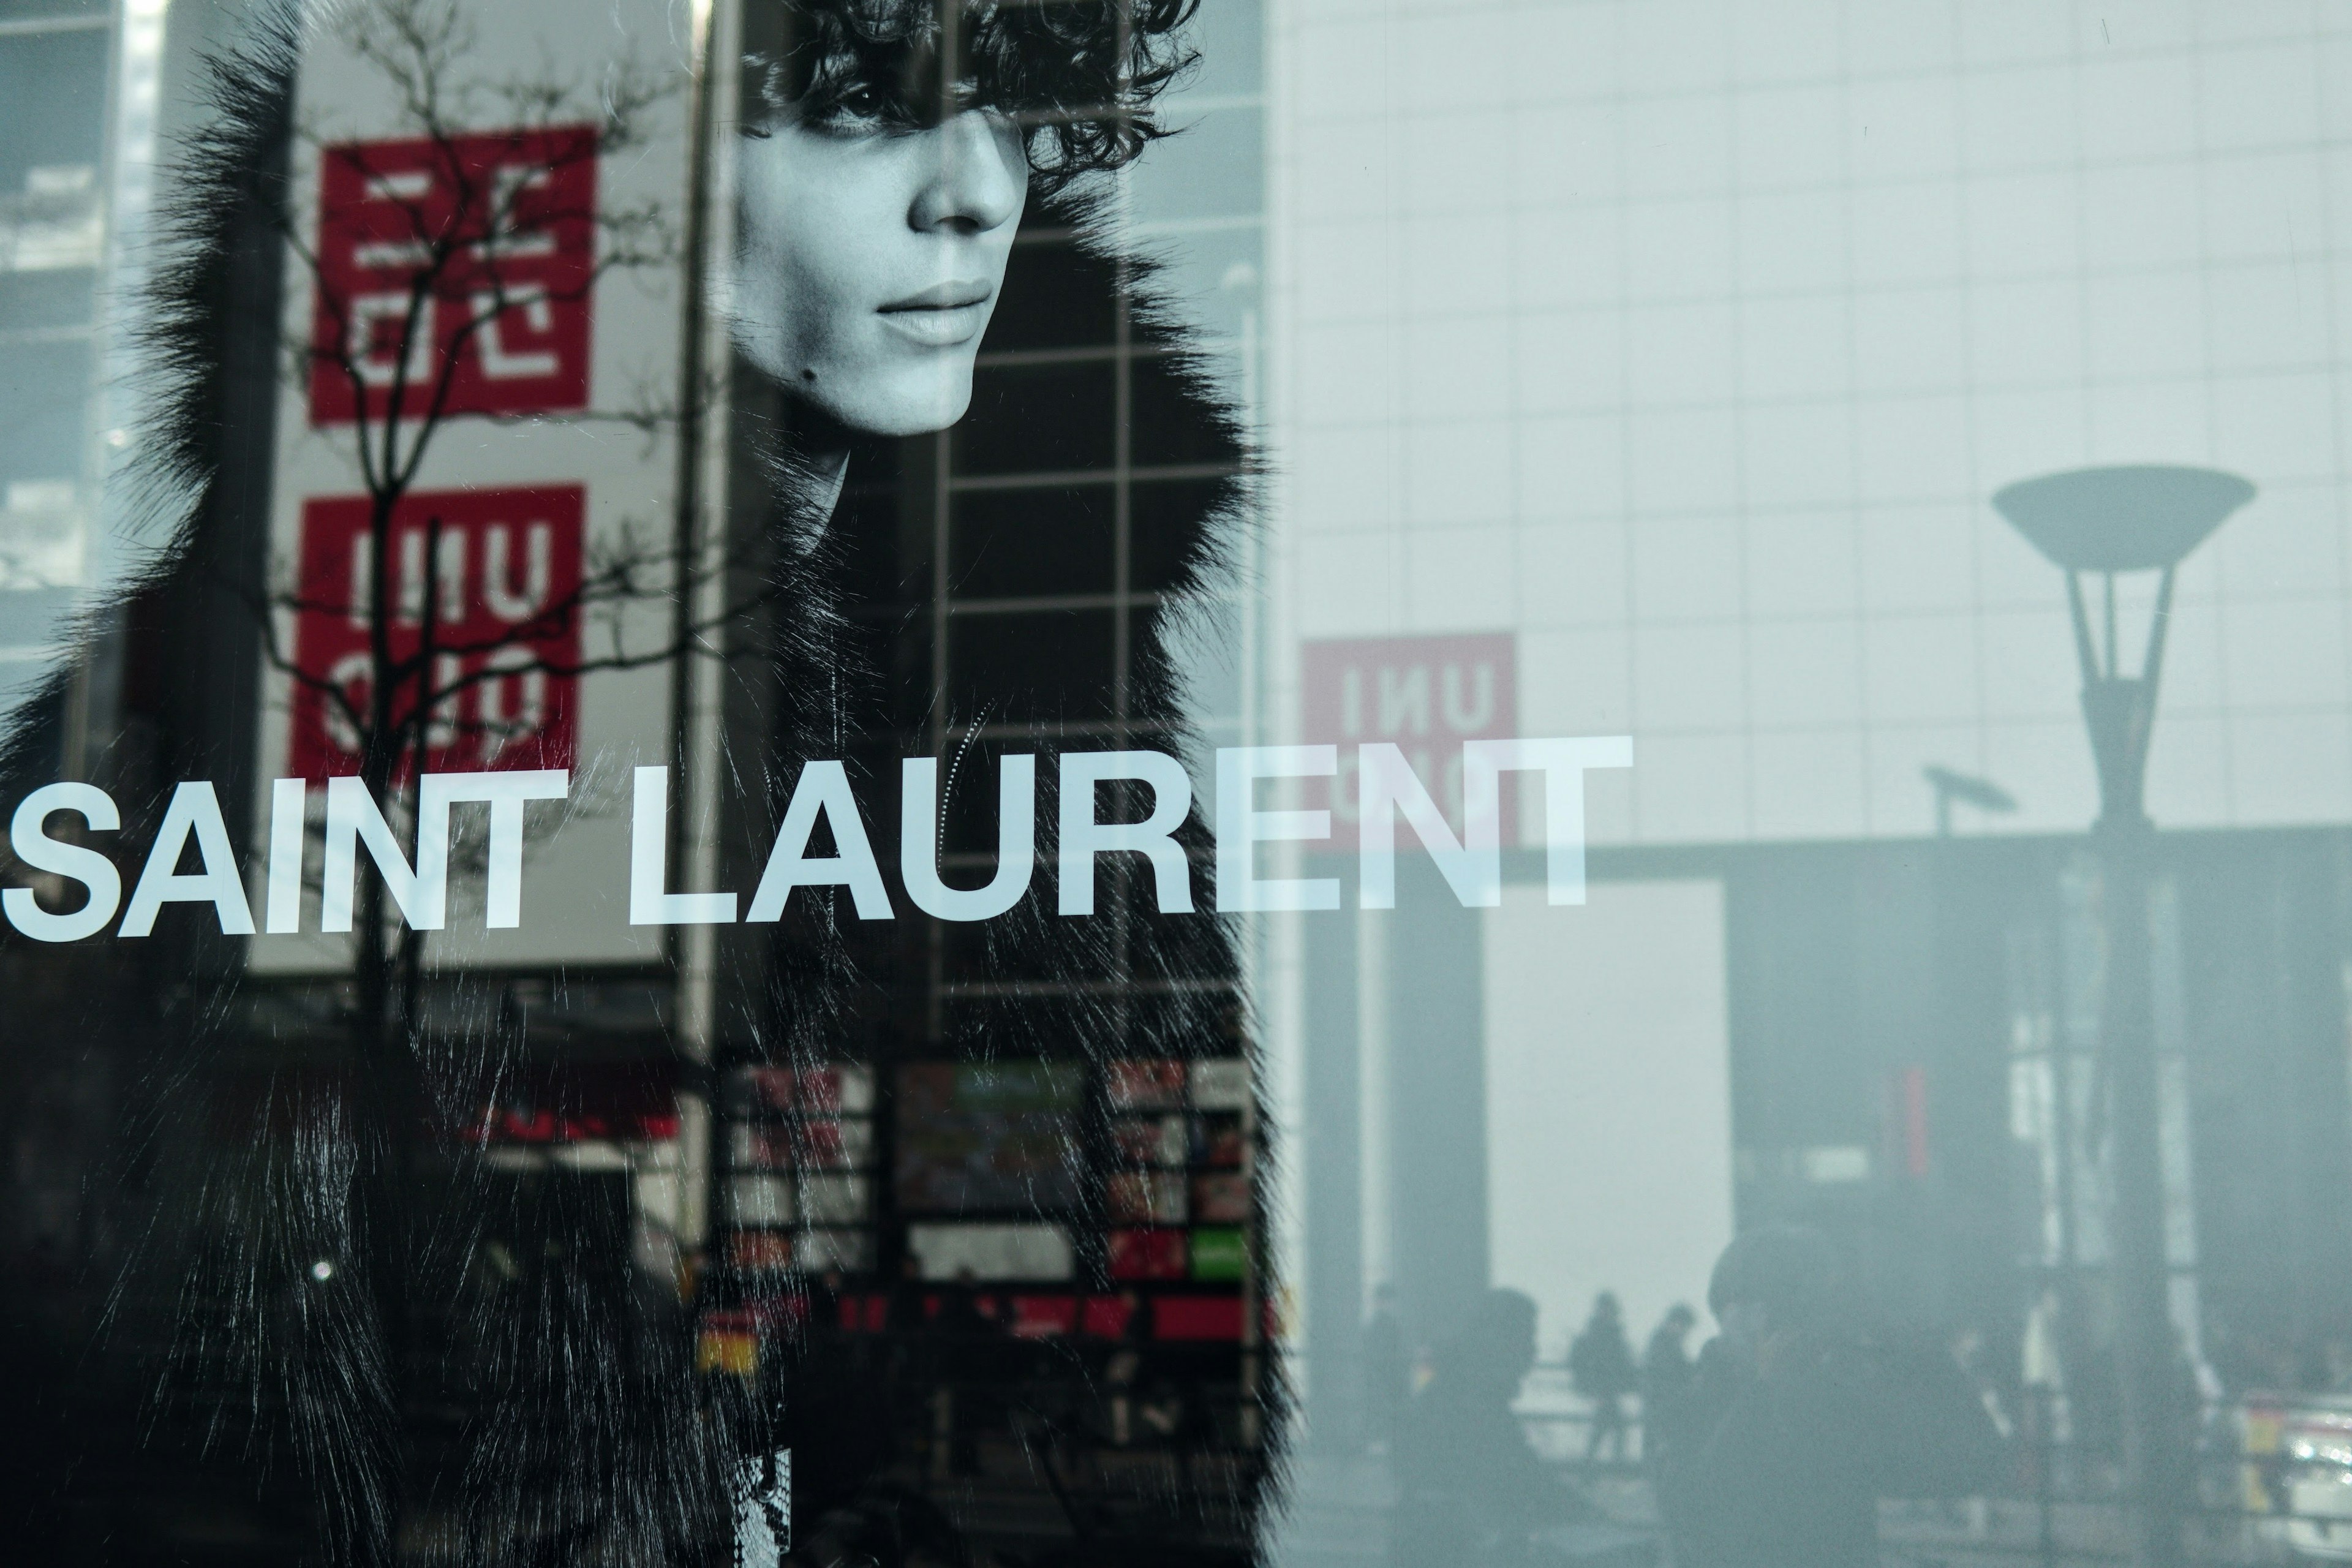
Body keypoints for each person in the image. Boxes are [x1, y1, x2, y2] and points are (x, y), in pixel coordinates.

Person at [1659, 1227, 2004, 1568]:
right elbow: (1704, 1517)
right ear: (1741, 1311)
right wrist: (1768, 1390)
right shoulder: (1703, 1407)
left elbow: (1971, 1463)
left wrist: (1907, 1342)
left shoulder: (1820, 1398)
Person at [1391, 1289, 1591, 1567]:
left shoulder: (1458, 1388)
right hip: (1453, 1547)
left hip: (1432, 1540)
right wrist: (1581, 1513)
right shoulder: (1472, 1401)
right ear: (1499, 1341)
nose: (1531, 1353)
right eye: (1526, 1339)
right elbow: (1513, 1472)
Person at [1568, 1291, 1639, 1461]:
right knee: (1613, 1428)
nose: (1607, 1313)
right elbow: (1582, 1361)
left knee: (1608, 1428)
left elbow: (1624, 1362)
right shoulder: (1598, 1335)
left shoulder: (1610, 1334)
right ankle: (1608, 1467)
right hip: (1602, 1390)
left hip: (1608, 1390)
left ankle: (1594, 1467)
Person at [1640, 1303, 1698, 1465]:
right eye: (1684, 1326)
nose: (1686, 1332)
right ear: (1674, 1323)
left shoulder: (1668, 1344)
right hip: (1662, 1407)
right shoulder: (1662, 1346)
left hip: (1663, 1407)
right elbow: (1668, 1376)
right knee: (1661, 1449)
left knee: (1661, 1450)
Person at [1361, 1283, 1410, 1454]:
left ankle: (1381, 1441)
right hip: (1389, 1375)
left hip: (1384, 1376)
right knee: (1389, 1410)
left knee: (1382, 1410)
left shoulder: (1376, 1326)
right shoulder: (1390, 1326)